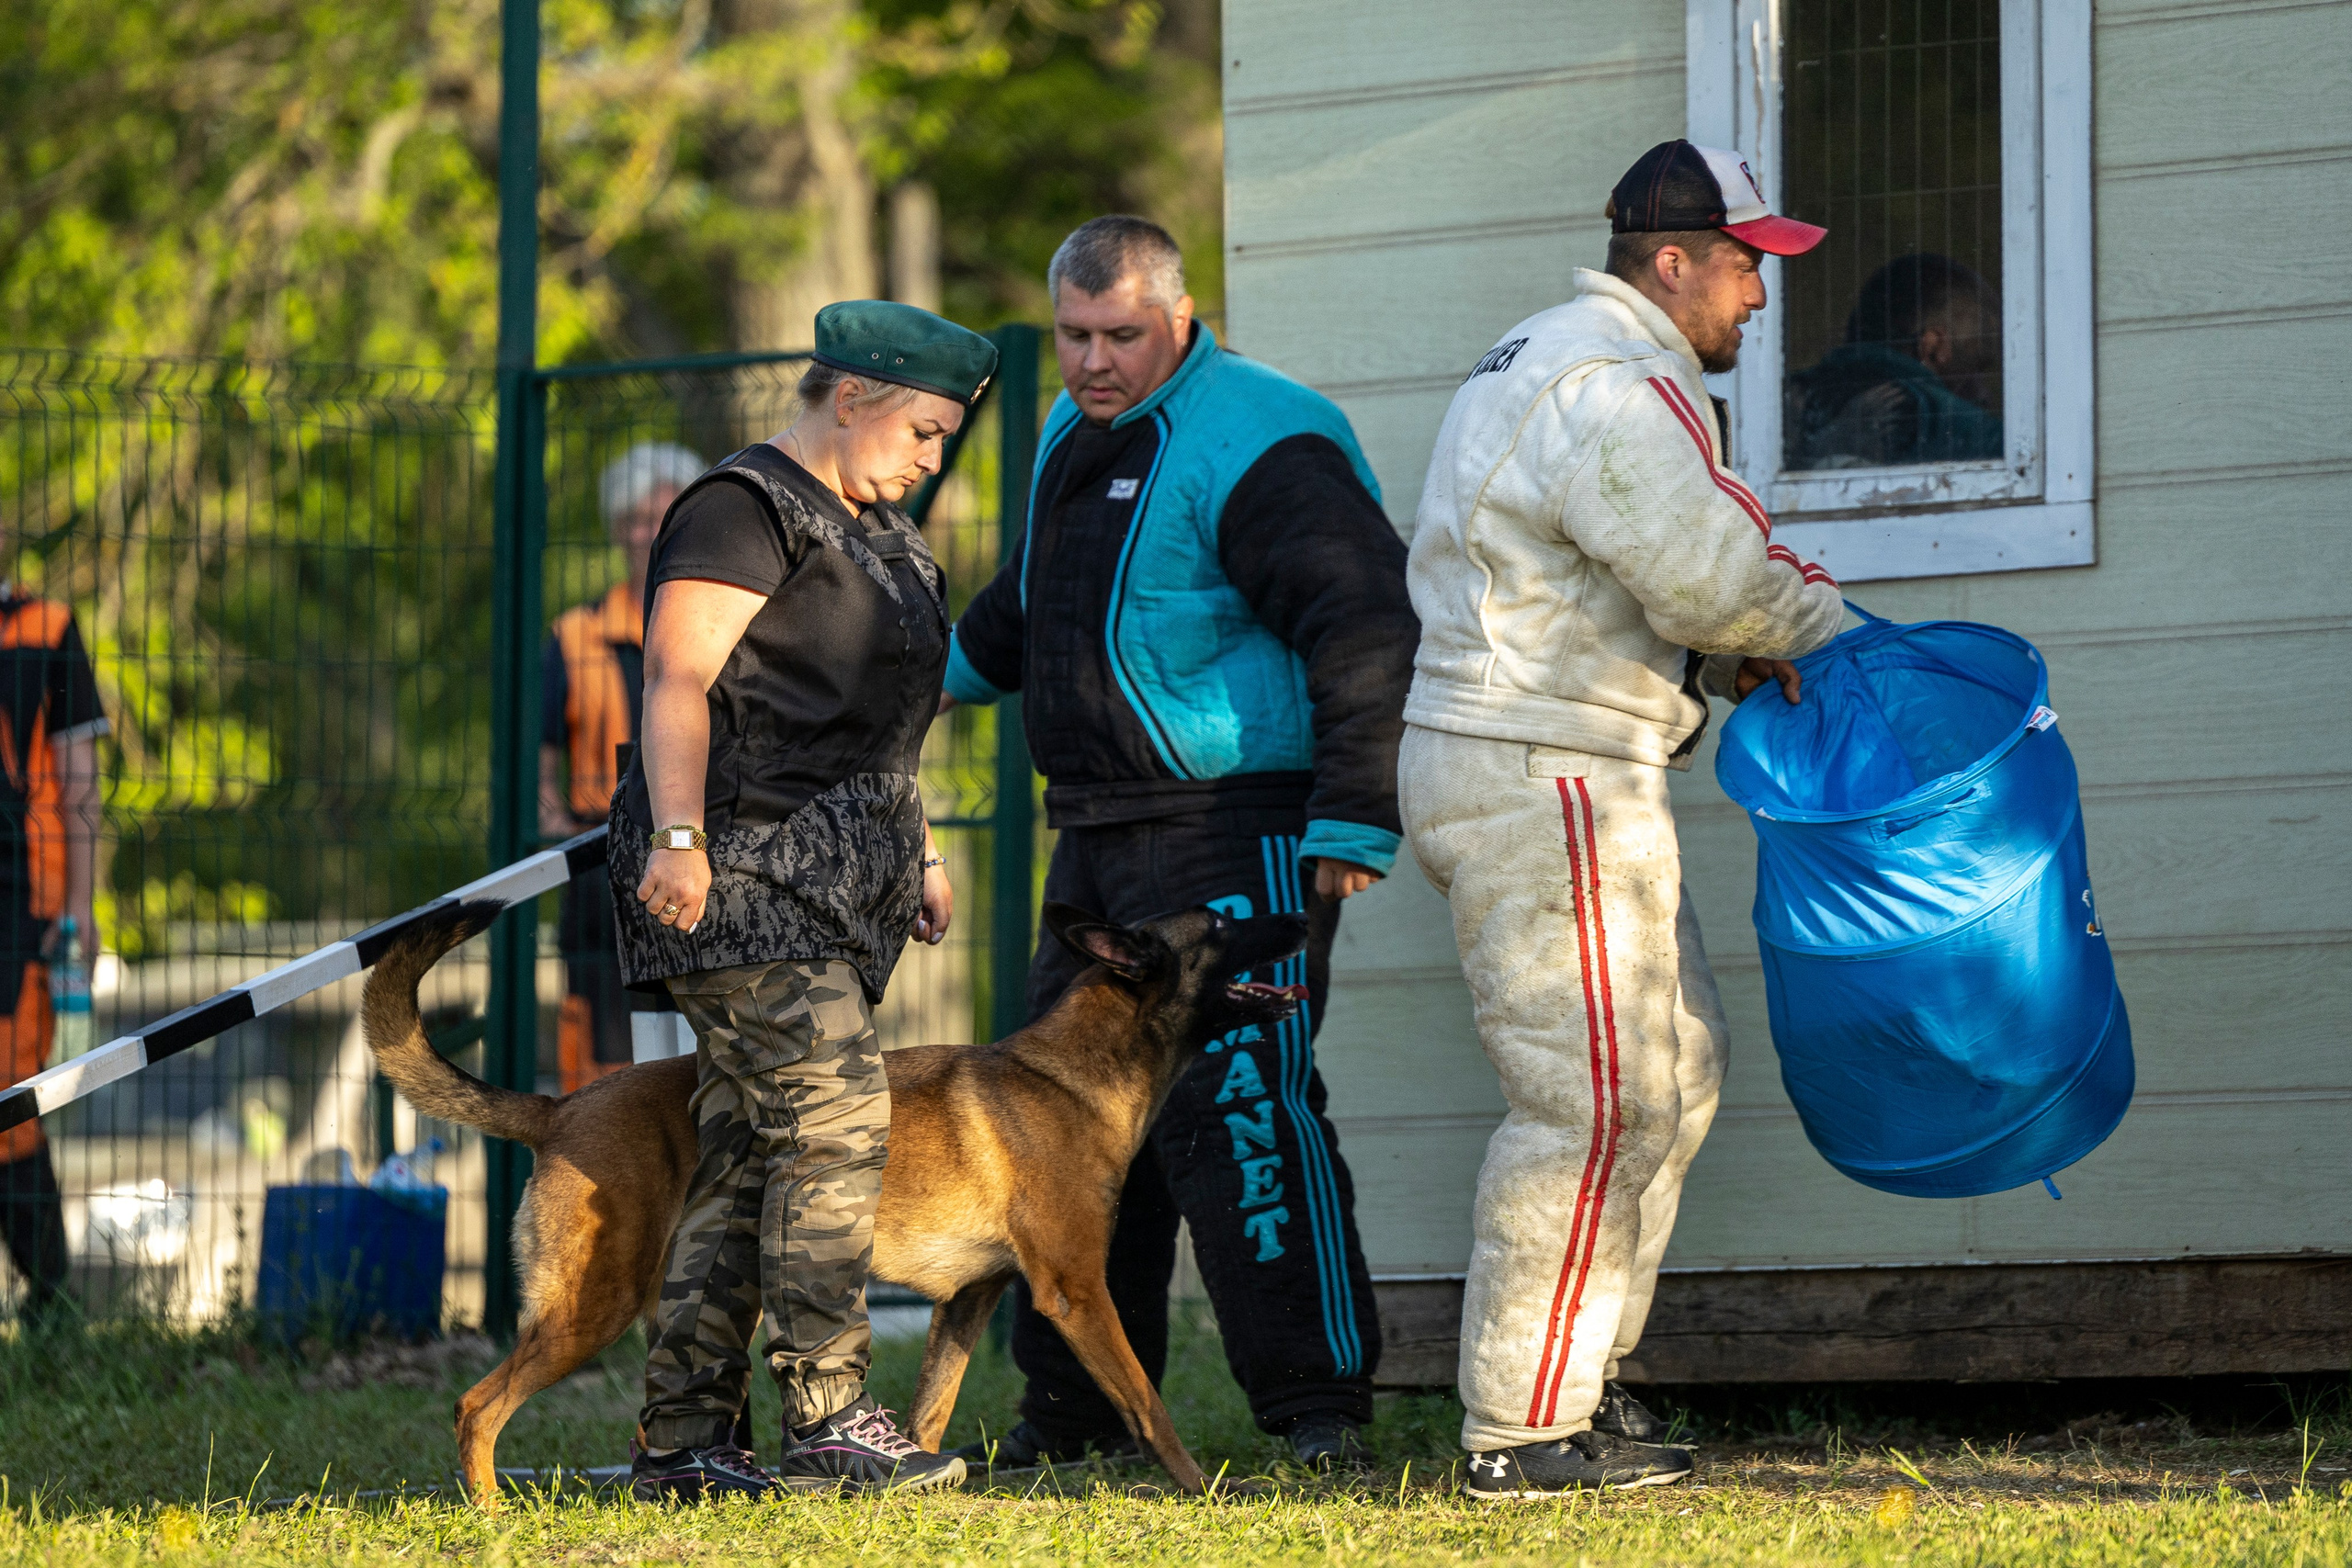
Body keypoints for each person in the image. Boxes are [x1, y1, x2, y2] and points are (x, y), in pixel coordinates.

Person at [1398, 141, 1847, 1498]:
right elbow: (1715, 577)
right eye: (1746, 263)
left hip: (1557, 757)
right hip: (1547, 769)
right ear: (1674, 261)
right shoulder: (1613, 381)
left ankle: (1581, 1388)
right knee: (1594, 1100)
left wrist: (1721, 657)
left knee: (1676, 1069)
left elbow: (1624, 583)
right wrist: (1838, 637)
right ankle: (1522, 1430)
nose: (1761, 295)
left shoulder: (1554, 352)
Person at [942, 216, 1417, 1472]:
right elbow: (1024, 607)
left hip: (1239, 830)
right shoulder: (1067, 431)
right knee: (1059, 1123)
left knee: (1243, 1108)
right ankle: (1075, 1420)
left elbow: (1362, 618)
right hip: (1097, 834)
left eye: (1122, 336)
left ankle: (1319, 1416)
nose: (1095, 362)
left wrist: (1356, 811)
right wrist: (906, 680)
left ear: (1181, 313)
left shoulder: (1265, 431)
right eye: (1074, 337)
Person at [610, 300, 995, 1501]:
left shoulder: (874, 526)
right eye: (927, 432)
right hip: (739, 877)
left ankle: (683, 1438)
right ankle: (830, 1414)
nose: (932, 459)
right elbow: (678, 677)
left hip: (839, 888)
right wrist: (678, 837)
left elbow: (882, 723)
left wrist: (917, 850)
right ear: (854, 397)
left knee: (748, 1152)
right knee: (834, 1120)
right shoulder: (742, 507)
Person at [541, 441, 704, 1093]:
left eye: (664, 516)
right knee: (603, 1065)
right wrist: (563, 833)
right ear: (617, 529)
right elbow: (537, 772)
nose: (649, 532)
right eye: (636, 518)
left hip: (691, 861)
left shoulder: (711, 627)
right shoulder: (574, 634)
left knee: (689, 1057)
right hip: (599, 871)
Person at [0, 570, 105, 1327]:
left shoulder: (48, 626)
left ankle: (51, 1304)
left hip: (19, 907)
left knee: (11, 1104)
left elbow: (77, 786)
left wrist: (78, 910)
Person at [1786, 252, 2002, 468]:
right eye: (1977, 367)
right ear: (1934, 347)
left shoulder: (1786, 399)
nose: (1984, 394)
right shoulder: (1925, 414)